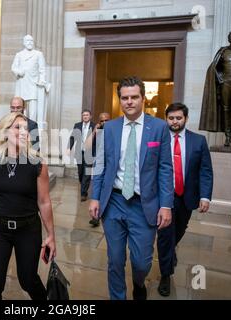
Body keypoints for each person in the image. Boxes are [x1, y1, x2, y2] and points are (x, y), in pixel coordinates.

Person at [89, 76, 173, 300]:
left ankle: (139, 282)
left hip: (144, 205)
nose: (129, 102)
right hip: (114, 202)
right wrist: (95, 198)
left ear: (143, 99)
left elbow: (165, 168)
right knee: (115, 259)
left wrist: (166, 205)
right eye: (124, 98)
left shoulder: (159, 128)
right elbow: (100, 165)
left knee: (142, 261)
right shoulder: (110, 128)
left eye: (134, 97)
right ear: (120, 100)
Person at [0, 112, 56, 300]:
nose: (23, 132)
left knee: (27, 280)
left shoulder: (37, 163)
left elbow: (44, 201)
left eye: (26, 129)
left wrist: (51, 235)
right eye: (18, 127)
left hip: (28, 230)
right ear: (5, 132)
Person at [156, 103, 213, 297]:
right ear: (166, 119)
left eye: (178, 118)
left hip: (187, 197)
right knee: (164, 233)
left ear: (186, 119)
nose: (174, 121)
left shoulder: (199, 141)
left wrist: (205, 196)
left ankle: (170, 251)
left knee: (179, 229)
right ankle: (165, 274)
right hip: (164, 195)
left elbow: (205, 170)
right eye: (171, 118)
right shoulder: (159, 139)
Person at [11, 35, 50, 126]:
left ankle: (32, 129)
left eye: (31, 41)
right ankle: (21, 126)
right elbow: (14, 67)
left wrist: (42, 80)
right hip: (22, 84)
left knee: (33, 110)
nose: (30, 42)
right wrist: (19, 72)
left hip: (34, 84)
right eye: (28, 41)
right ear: (24, 43)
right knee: (21, 108)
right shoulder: (19, 54)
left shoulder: (38, 54)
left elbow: (42, 69)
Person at [84, 112, 110, 226]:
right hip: (97, 164)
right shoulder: (97, 131)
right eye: (102, 121)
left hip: (109, 166)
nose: (104, 123)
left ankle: (102, 214)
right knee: (95, 189)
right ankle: (95, 217)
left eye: (107, 120)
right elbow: (87, 146)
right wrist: (95, 131)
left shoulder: (114, 131)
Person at [67, 110, 95, 202]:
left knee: (87, 173)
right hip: (79, 152)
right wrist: (69, 148)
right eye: (83, 115)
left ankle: (83, 193)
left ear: (90, 116)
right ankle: (82, 184)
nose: (85, 116)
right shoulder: (77, 125)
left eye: (87, 115)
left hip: (89, 153)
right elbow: (72, 137)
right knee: (80, 172)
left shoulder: (94, 126)